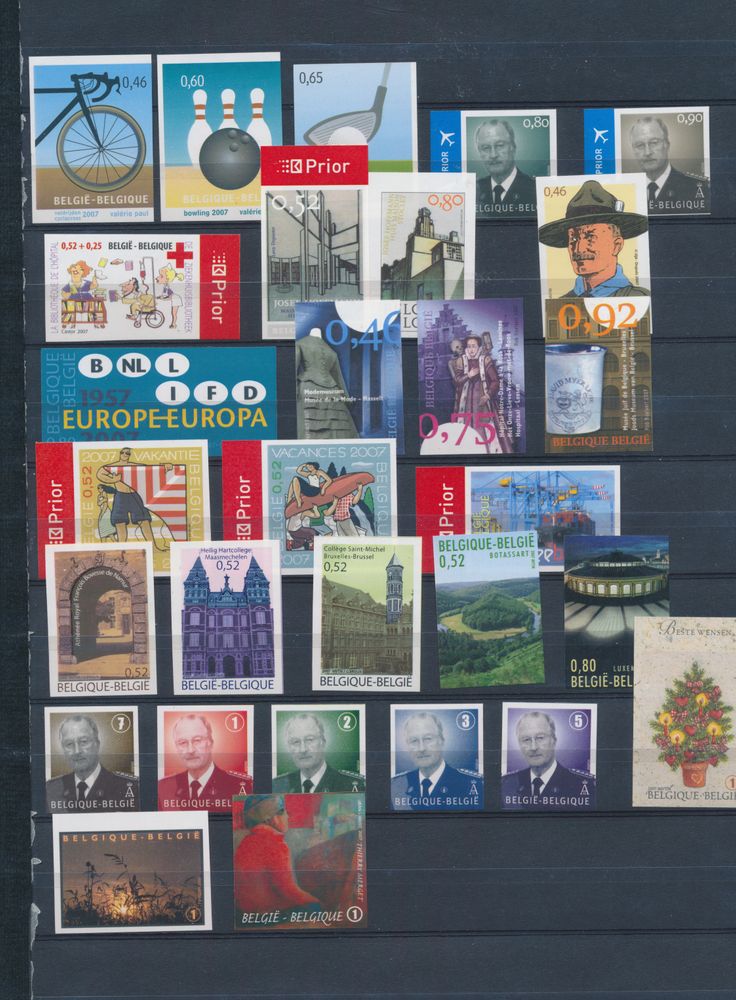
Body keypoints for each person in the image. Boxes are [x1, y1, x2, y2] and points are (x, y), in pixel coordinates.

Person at [538, 179, 650, 297]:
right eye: (573, 239)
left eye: (590, 237)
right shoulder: (562, 302)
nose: (579, 249)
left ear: (616, 246)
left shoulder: (639, 299)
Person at [233, 795, 322, 921]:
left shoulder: (246, 842)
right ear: (273, 818)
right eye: (284, 813)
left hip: (244, 914)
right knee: (317, 908)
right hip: (267, 916)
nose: (288, 817)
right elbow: (288, 890)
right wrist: (316, 902)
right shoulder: (275, 843)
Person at [158, 713, 252, 810]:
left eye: (197, 740)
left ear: (211, 743)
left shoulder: (241, 786)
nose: (190, 750)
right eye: (182, 742)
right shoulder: (163, 788)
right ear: (176, 748)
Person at [501, 711, 596, 808]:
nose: (533, 747)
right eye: (526, 739)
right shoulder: (506, 784)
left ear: (554, 740)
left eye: (540, 738)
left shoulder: (584, 784)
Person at [46, 714, 138, 813]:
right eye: (69, 744)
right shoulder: (50, 790)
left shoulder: (129, 787)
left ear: (97, 744)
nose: (77, 751)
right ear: (63, 749)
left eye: (83, 741)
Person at [391, 712, 482, 810]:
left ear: (441, 741)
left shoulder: (471, 784)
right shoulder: (395, 786)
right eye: (414, 741)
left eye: (428, 739)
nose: (421, 748)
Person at [628, 116, 710, 213]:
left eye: (654, 143)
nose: (647, 152)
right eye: (639, 145)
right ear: (633, 150)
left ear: (667, 145)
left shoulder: (698, 188)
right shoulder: (627, 191)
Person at [448, 333, 513, 453]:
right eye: (469, 346)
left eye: (474, 346)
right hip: (466, 405)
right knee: (466, 431)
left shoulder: (485, 360)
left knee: (485, 430)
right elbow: (456, 381)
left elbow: (495, 381)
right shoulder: (461, 361)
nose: (471, 349)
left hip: (483, 403)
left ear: (478, 347)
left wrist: (488, 395)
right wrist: (468, 375)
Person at [96, 447, 169, 549]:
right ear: (120, 453)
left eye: (127, 453)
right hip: (121, 495)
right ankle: (121, 549)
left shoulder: (135, 466)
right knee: (120, 522)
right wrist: (112, 480)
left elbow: (153, 470)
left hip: (134, 495)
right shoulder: (113, 466)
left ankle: (153, 547)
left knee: (144, 521)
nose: (125, 454)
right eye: (123, 452)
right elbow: (99, 473)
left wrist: (164, 467)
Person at [273, 713, 365, 793]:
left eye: (309, 740)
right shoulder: (277, 786)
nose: (303, 749)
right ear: (289, 747)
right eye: (295, 742)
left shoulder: (352, 786)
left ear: (323, 742)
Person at [473, 119, 537, 215]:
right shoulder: (475, 191)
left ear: (513, 147)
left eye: (500, 145)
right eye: (485, 148)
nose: (493, 155)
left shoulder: (535, 190)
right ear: (479, 153)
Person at [156, 264, 184, 329]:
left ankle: (174, 324)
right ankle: (173, 324)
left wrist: (161, 297)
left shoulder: (167, 286)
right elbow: (165, 296)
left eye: (161, 276)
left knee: (174, 313)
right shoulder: (166, 286)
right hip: (173, 298)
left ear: (167, 279)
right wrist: (160, 297)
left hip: (176, 299)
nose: (157, 277)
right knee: (173, 313)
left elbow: (166, 296)